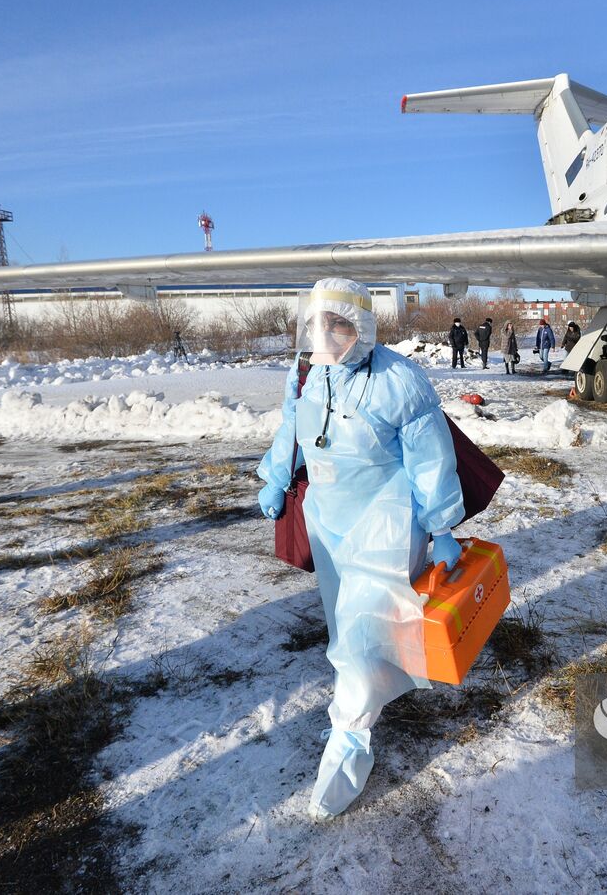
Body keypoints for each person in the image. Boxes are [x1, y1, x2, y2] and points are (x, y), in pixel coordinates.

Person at [257, 278, 465, 819]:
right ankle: (374, 680)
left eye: (341, 323)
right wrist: (277, 476)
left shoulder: (399, 380)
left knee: (357, 630)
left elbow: (431, 458)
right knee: (348, 623)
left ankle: (348, 742)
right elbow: (293, 428)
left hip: (385, 519)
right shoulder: (305, 373)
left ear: (364, 327)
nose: (329, 335)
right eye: (320, 323)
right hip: (328, 519)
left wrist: (442, 525)